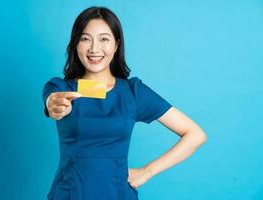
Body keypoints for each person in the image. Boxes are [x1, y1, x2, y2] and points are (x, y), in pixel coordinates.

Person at [42, 6, 207, 200]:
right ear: (76, 44)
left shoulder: (133, 92)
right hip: (70, 194)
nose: (94, 48)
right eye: (85, 39)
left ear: (116, 44)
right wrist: (52, 104)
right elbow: (52, 99)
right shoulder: (60, 87)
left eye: (104, 39)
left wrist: (147, 171)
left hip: (117, 193)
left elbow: (195, 134)